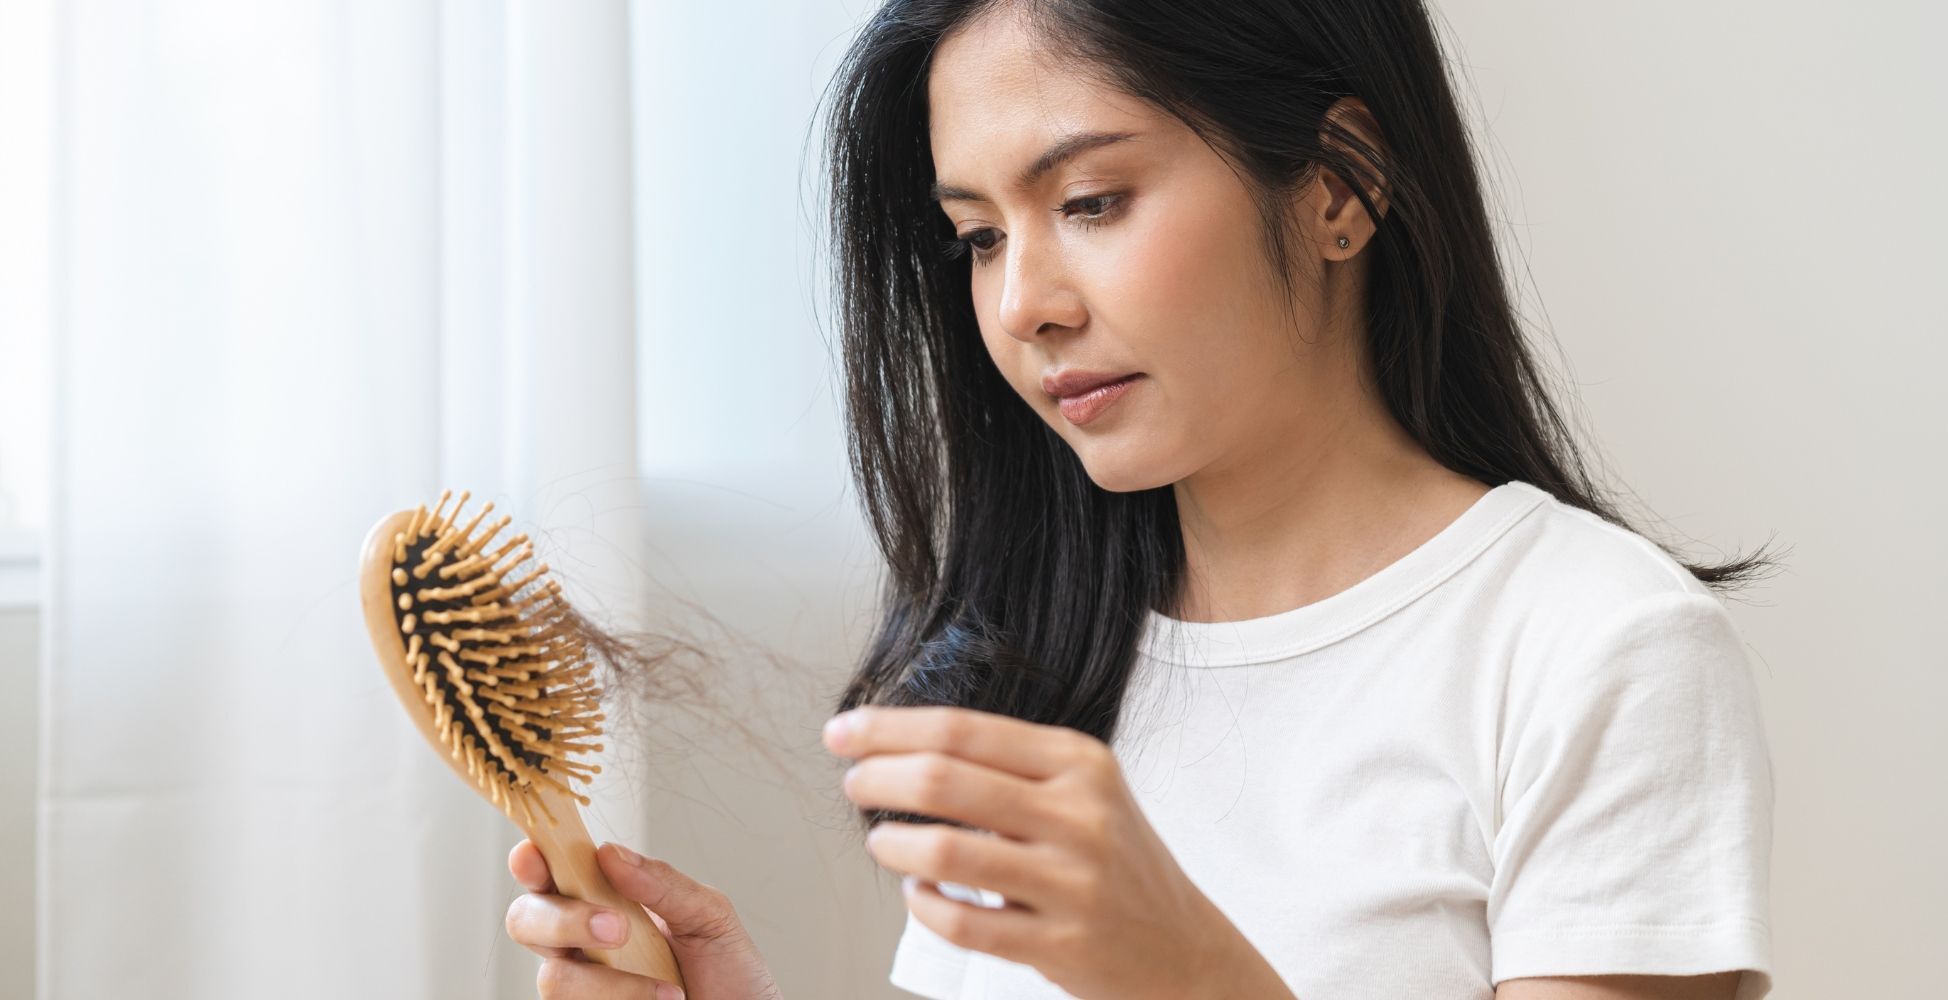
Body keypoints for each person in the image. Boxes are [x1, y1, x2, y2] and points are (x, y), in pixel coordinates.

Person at [503, 0, 1781, 997]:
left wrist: (1181, 972)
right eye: (980, 237)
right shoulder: (1029, 661)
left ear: (1338, 183)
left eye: (1089, 201)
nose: (1023, 306)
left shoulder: (1594, 648)